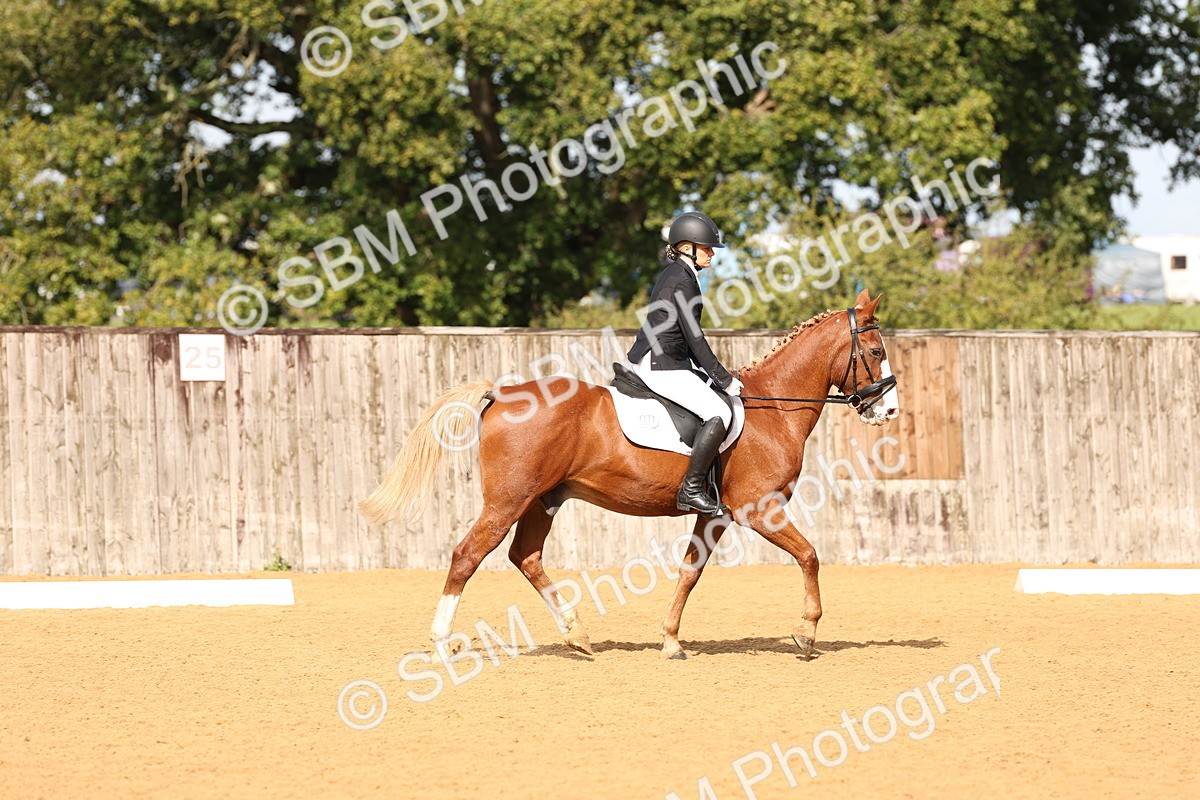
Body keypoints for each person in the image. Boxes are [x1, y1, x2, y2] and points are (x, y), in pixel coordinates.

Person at [626, 211, 744, 515]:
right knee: (719, 411)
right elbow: (694, 337)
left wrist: (711, 374)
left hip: (669, 358)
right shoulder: (682, 280)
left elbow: (684, 337)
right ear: (687, 246)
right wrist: (723, 379)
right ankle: (690, 490)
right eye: (707, 248)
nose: (712, 255)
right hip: (661, 363)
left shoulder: (681, 274)